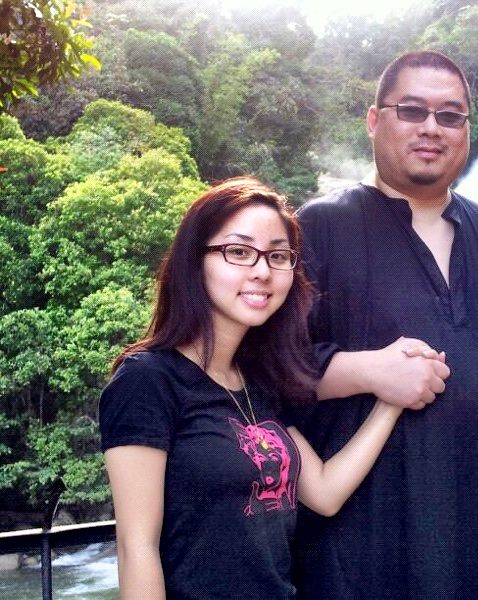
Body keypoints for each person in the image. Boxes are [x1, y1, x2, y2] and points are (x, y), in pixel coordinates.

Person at [291, 50, 478, 599]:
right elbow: (266, 372)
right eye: (411, 111)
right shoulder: (320, 227)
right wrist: (369, 371)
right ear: (374, 120)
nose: (432, 128)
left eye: (450, 115)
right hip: (364, 559)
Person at [99, 177, 417, 599]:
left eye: (278, 255)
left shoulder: (256, 383)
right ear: (195, 262)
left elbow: (323, 492)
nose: (263, 270)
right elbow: (135, 547)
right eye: (239, 251)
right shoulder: (147, 380)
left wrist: (390, 404)